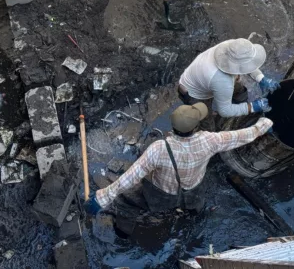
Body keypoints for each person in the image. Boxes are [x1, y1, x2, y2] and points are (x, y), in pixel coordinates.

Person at [84, 103, 273, 221]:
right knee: (195, 205)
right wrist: (263, 124)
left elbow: (130, 177)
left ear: (173, 127)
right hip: (193, 189)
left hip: (162, 194)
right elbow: (241, 136)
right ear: (196, 127)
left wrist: (103, 198)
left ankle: (130, 228)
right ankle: (192, 214)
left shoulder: (159, 148)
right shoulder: (210, 140)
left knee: (129, 203)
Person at [179, 38, 280, 119]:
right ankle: (213, 116)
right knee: (207, 122)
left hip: (203, 76)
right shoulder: (222, 81)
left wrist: (261, 78)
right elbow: (224, 111)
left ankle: (240, 104)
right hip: (194, 92)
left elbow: (247, 63)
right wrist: (252, 107)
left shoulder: (233, 47)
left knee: (239, 90)